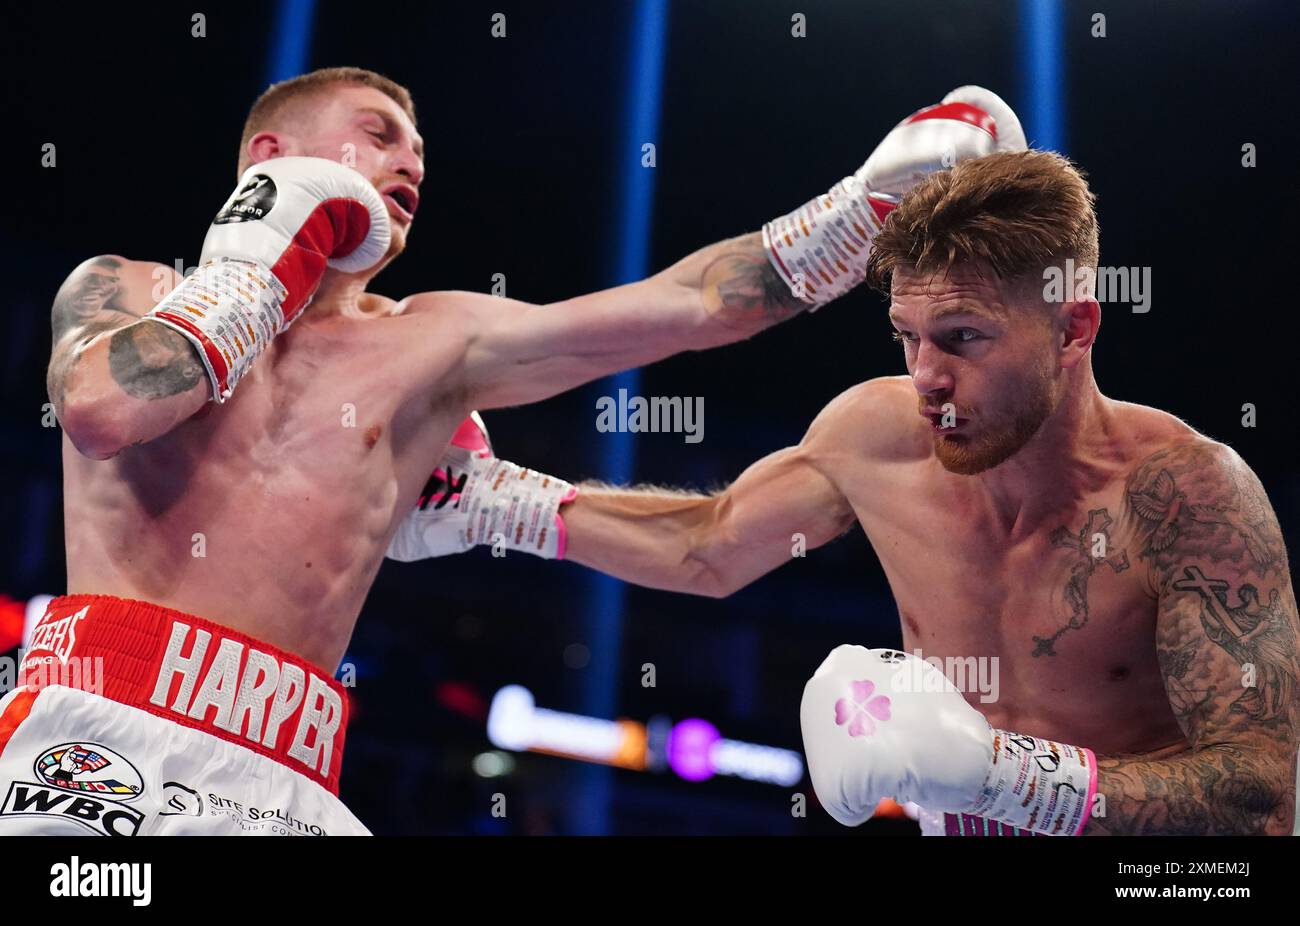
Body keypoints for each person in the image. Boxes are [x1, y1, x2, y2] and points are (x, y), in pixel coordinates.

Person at [0, 66, 1017, 834]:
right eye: (379, 136)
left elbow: (688, 305)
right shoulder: (130, 287)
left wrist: (870, 205)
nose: (408, 164)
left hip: (289, 780)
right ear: (269, 156)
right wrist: (258, 261)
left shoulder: (431, 345)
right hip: (100, 734)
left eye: (420, 155)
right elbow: (102, 407)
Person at [415, 149, 1298, 835]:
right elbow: (709, 545)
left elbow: (1261, 798)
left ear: (1073, 327)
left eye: (963, 338)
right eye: (906, 336)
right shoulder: (879, 436)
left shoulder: (1187, 496)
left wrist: (1007, 777)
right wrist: (498, 504)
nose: (926, 377)